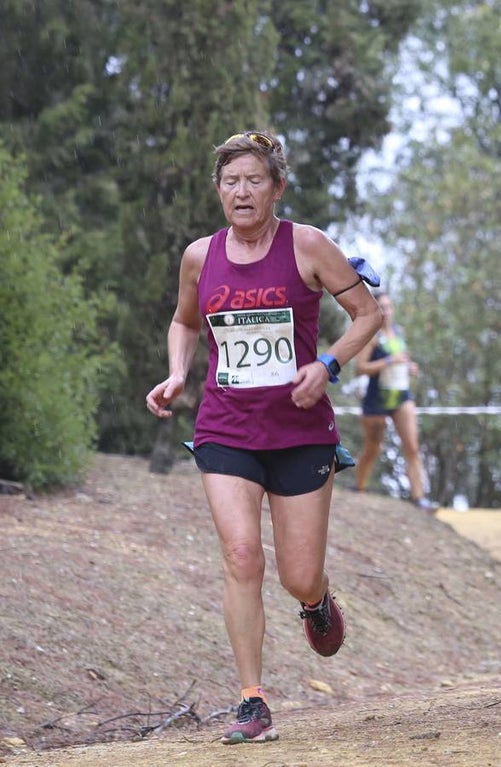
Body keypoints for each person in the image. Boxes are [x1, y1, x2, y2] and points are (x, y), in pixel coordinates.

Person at [145, 130, 383, 744]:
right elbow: (184, 319)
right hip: (226, 429)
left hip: (301, 432)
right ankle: (252, 700)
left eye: (254, 180)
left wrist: (327, 366)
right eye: (230, 181)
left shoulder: (308, 245)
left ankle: (317, 601)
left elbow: (369, 315)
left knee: (297, 574)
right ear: (218, 190)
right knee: (242, 556)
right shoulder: (200, 256)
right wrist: (176, 372)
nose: (241, 191)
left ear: (277, 187)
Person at [353, 290, 437, 512]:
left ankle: (419, 499)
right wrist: (389, 361)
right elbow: (359, 369)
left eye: (389, 307)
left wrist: (409, 367)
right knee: (373, 447)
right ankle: (359, 487)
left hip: (401, 395)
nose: (387, 312)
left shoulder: (399, 333)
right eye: (382, 307)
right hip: (376, 398)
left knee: (412, 446)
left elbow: (402, 359)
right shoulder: (370, 337)